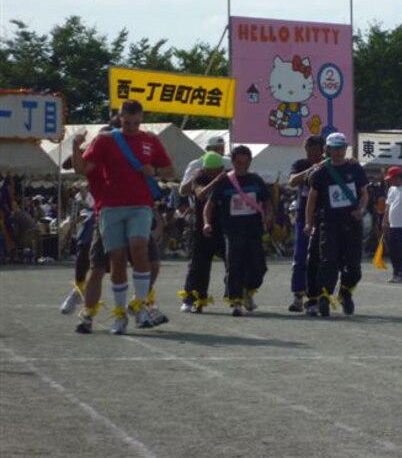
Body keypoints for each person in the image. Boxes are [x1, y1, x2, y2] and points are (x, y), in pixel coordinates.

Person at [72, 100, 174, 334]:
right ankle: (120, 315)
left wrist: (155, 171)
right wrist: (76, 147)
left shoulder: (150, 140)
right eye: (127, 122)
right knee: (116, 260)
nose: (131, 127)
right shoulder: (105, 140)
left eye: (136, 123)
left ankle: (139, 306)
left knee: (139, 245)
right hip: (110, 207)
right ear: (120, 118)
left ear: (142, 119)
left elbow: (170, 170)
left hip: (140, 205)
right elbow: (83, 169)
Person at [304, 132, 369, 317]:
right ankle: (324, 296)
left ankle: (345, 293)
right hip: (329, 224)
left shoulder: (355, 169)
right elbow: (311, 200)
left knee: (354, 266)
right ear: (328, 150)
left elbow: (364, 193)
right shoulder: (321, 173)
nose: (339, 151)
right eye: (335, 148)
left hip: (351, 224)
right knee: (328, 262)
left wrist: (361, 210)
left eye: (342, 147)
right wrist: (309, 224)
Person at [203, 145, 272, 316]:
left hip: (254, 231)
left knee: (259, 267)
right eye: (238, 162)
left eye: (245, 162)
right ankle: (235, 301)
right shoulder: (224, 182)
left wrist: (268, 216)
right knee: (234, 266)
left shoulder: (256, 180)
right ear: (232, 162)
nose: (242, 166)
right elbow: (209, 206)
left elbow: (268, 201)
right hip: (232, 231)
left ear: (250, 162)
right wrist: (206, 223)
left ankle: (248, 290)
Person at [177, 152, 227, 313]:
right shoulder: (199, 178)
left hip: (224, 228)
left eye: (218, 170)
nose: (215, 173)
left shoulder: (227, 179)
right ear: (204, 169)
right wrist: (215, 181)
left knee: (235, 263)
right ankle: (192, 299)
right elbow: (200, 194)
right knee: (199, 267)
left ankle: (237, 295)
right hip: (203, 229)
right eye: (211, 170)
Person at [286, 135, 326, 312]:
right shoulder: (301, 164)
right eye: (311, 154)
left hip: (324, 219)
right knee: (300, 257)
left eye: (317, 154)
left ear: (323, 151)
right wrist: (311, 169)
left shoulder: (329, 166)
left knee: (319, 260)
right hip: (303, 218)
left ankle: (315, 298)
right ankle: (297, 296)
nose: (314, 157)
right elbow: (292, 181)